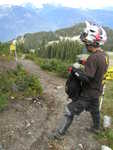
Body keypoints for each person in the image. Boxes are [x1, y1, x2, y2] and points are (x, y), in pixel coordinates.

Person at [49, 21, 109, 139]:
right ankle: (96, 128)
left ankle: (59, 134)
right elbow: (98, 68)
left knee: (69, 110)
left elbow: (87, 78)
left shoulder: (93, 58)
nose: (85, 44)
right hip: (97, 91)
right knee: (95, 111)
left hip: (88, 94)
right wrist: (84, 63)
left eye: (86, 42)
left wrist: (74, 70)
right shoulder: (104, 55)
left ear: (92, 42)